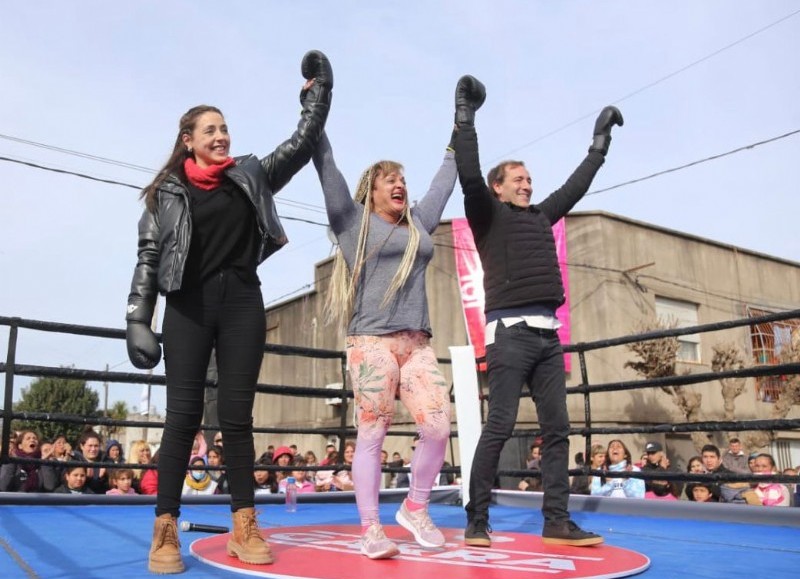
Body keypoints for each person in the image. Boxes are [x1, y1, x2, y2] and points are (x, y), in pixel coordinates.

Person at [123, 50, 332, 574]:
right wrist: (137, 319)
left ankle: (244, 524)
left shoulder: (251, 174)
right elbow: (149, 258)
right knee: (181, 419)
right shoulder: (165, 195)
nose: (221, 136)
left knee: (237, 420)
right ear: (188, 139)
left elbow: (301, 145)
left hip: (241, 301)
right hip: (188, 307)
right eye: (209, 130)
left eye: (225, 128)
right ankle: (164, 528)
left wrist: (318, 95)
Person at [452, 73, 621, 548]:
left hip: (549, 339)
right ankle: (477, 519)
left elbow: (576, 187)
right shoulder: (487, 216)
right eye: (518, 179)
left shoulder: (542, 217)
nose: (528, 184)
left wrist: (599, 145)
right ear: (498, 189)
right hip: (510, 334)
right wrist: (465, 116)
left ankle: (556, 522)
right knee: (500, 425)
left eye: (529, 179)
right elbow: (469, 173)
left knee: (558, 431)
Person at [311, 82, 458, 558]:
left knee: (437, 424)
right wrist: (316, 106)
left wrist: (462, 126)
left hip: (416, 343)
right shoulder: (353, 224)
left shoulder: (417, 224)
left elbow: (444, 180)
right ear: (370, 191)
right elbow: (326, 165)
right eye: (389, 179)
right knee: (373, 430)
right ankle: (371, 528)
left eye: (402, 178)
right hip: (370, 342)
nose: (400, 184)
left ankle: (415, 508)